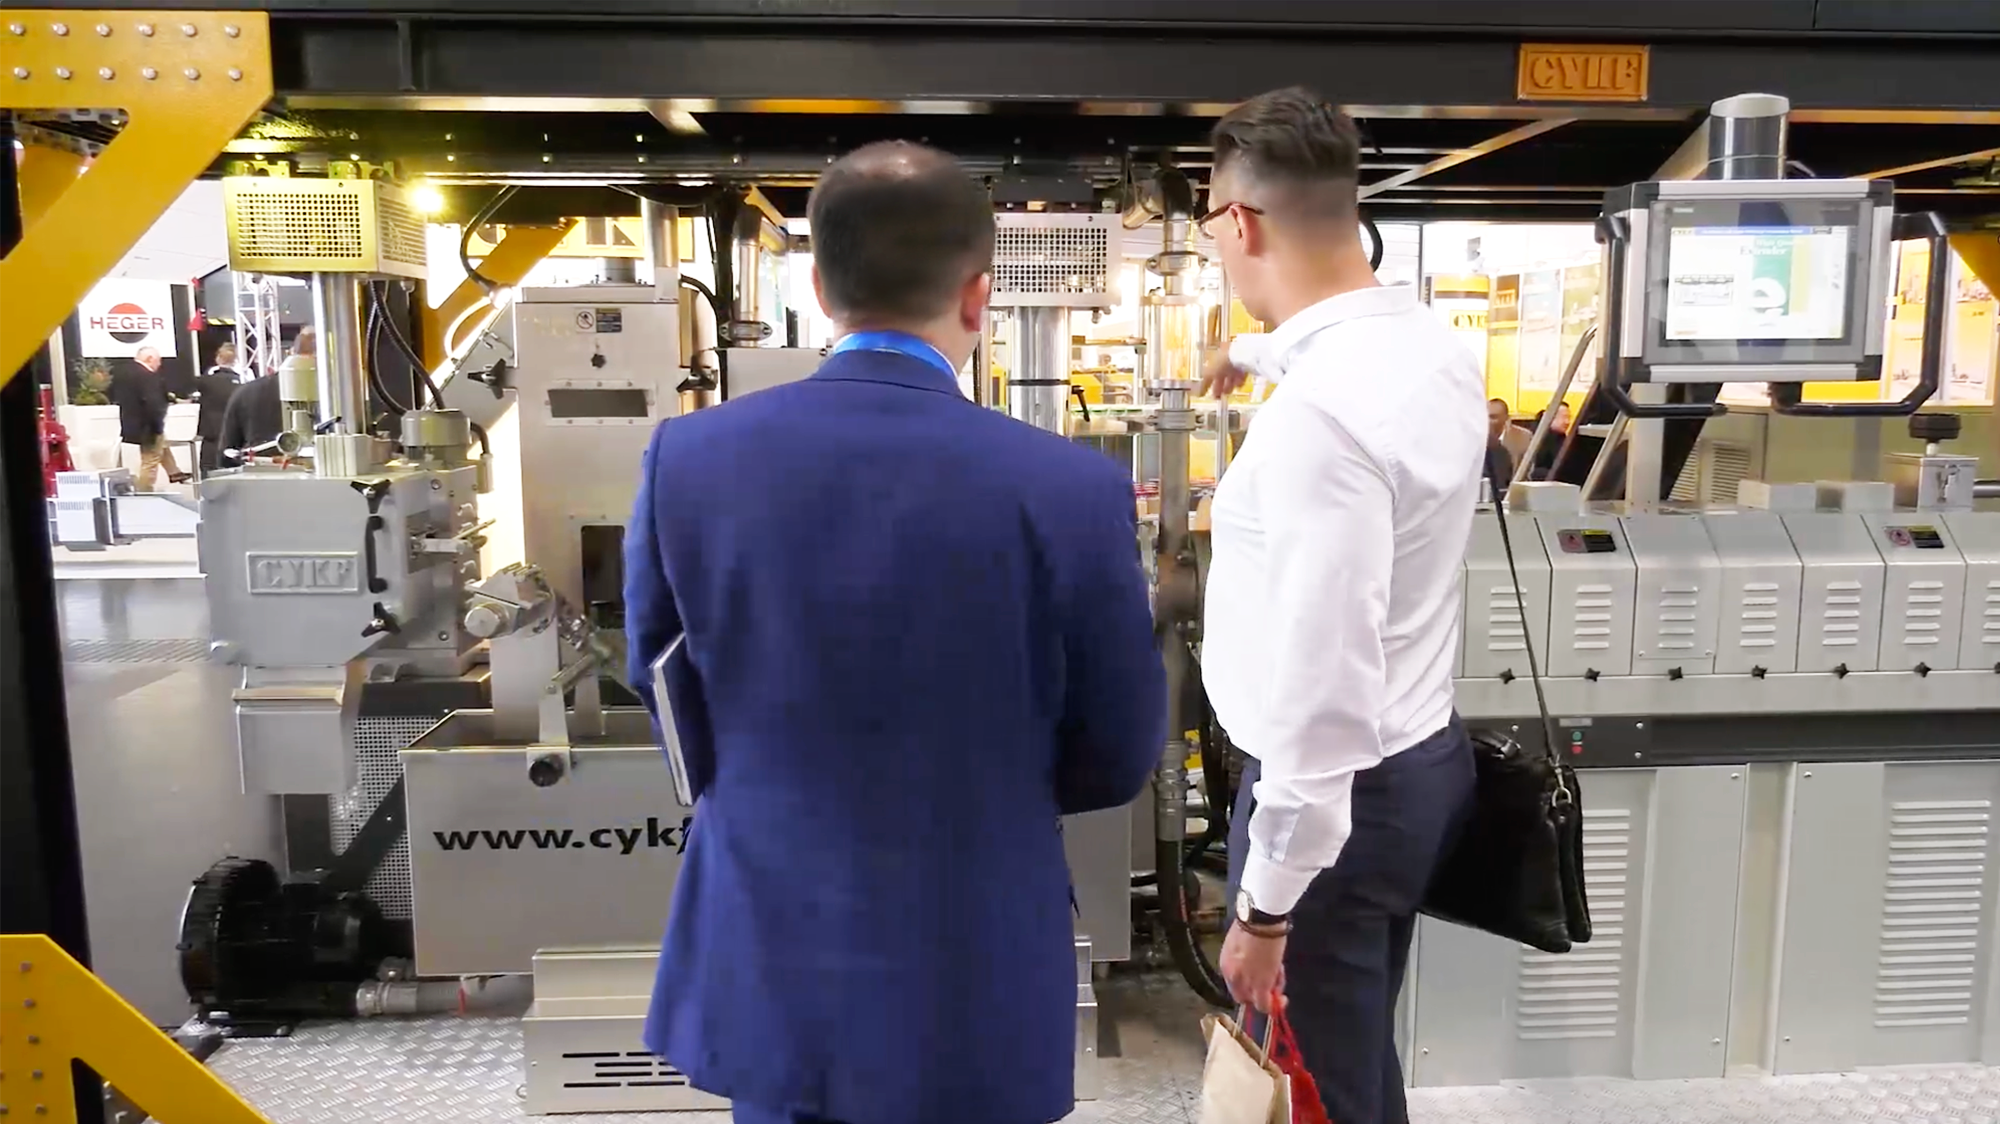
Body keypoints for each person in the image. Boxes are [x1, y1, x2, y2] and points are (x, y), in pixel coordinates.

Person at [623, 141, 1165, 1124]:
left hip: (773, 941)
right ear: (978, 296)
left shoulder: (689, 457)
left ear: (819, 288)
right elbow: (1119, 749)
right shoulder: (1070, 485)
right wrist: (995, 797)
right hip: (977, 944)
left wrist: (766, 787)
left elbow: (660, 683)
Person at [1195, 87, 1485, 1124]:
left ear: (1239, 223)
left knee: (1317, 1084)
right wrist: (1241, 353)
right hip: (1420, 765)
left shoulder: (1317, 421)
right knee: (1353, 1054)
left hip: (1332, 804)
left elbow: (1322, 692)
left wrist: (1266, 910)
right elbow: (1324, 351)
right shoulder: (1430, 350)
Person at [219, 327, 310, 459]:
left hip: (259, 468)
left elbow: (226, 454)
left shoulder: (246, 392)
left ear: (291, 352)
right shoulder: (336, 394)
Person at [109, 345, 184, 490]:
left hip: (132, 423)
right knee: (150, 460)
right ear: (150, 359)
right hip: (148, 425)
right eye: (158, 360)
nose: (159, 364)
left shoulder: (123, 373)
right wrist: (158, 425)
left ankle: (174, 472)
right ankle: (144, 492)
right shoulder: (148, 376)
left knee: (161, 445)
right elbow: (153, 403)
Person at [194, 343, 243, 477]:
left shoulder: (206, 381)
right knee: (234, 471)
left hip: (211, 433)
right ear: (235, 360)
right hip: (234, 433)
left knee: (208, 470)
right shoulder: (242, 382)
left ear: (218, 359)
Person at [1489, 397, 1529, 479]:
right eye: (1484, 417)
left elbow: (1526, 474)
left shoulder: (1523, 437)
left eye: (1493, 417)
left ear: (1506, 418)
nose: (1487, 421)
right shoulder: (1476, 439)